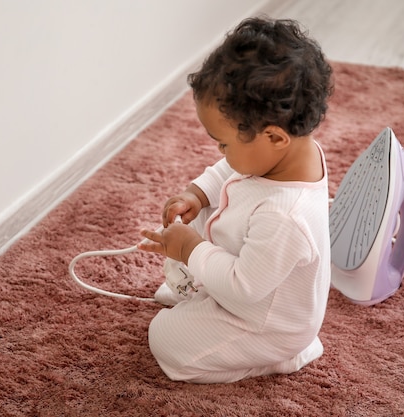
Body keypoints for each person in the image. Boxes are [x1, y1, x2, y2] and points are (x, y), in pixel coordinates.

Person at [137, 16, 334, 384]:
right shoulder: (281, 155)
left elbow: (245, 289)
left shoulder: (285, 215)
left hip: (264, 321)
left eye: (224, 143)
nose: (220, 152)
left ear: (275, 137)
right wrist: (197, 193)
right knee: (206, 211)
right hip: (244, 279)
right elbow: (228, 172)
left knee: (165, 340)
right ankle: (202, 291)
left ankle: (286, 356)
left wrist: (192, 250)